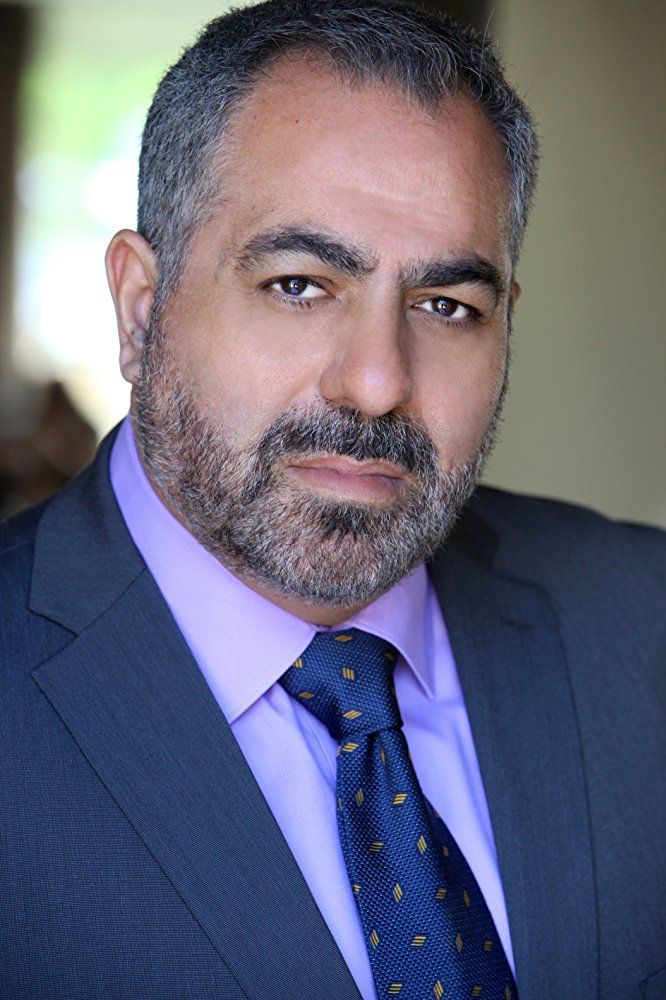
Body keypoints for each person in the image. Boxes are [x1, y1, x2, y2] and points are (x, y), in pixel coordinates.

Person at [1, 1, 663, 997]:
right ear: (141, 310)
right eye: (300, 285)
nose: (378, 382)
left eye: (447, 305)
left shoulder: (643, 619)